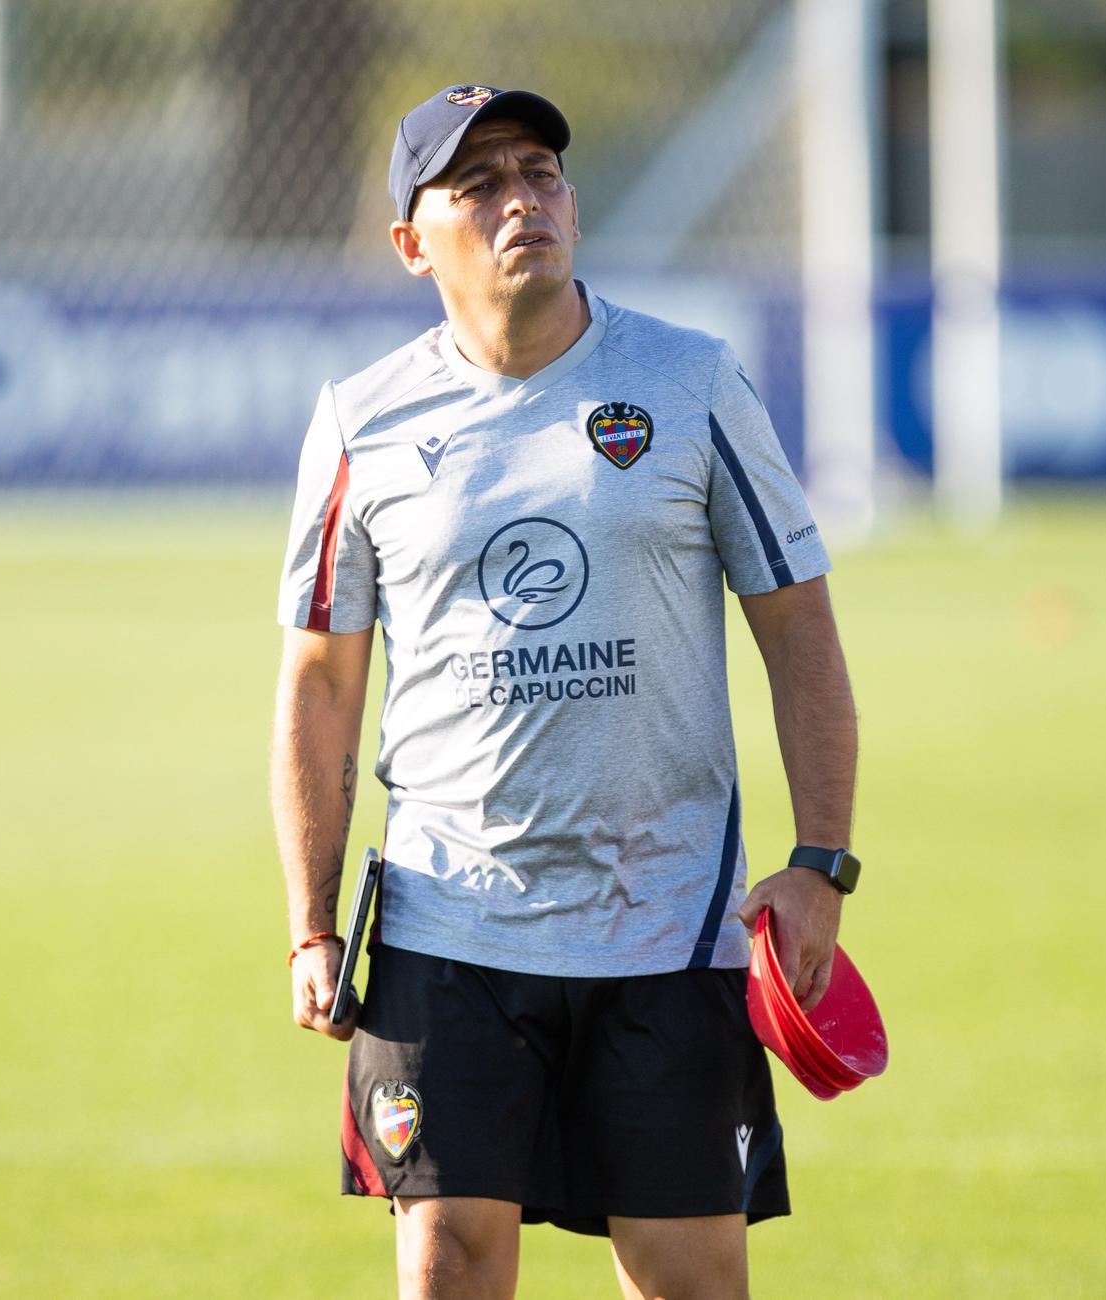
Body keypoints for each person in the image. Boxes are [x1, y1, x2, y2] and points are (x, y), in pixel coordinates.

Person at [271, 85, 862, 1299]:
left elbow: (797, 623)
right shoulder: (360, 423)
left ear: (574, 205)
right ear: (410, 242)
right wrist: (312, 922)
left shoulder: (690, 383)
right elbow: (320, 679)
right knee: (445, 1263)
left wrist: (820, 860)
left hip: (667, 924)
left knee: (690, 1281)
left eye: (537, 170)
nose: (517, 198)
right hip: (447, 927)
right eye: (476, 184)